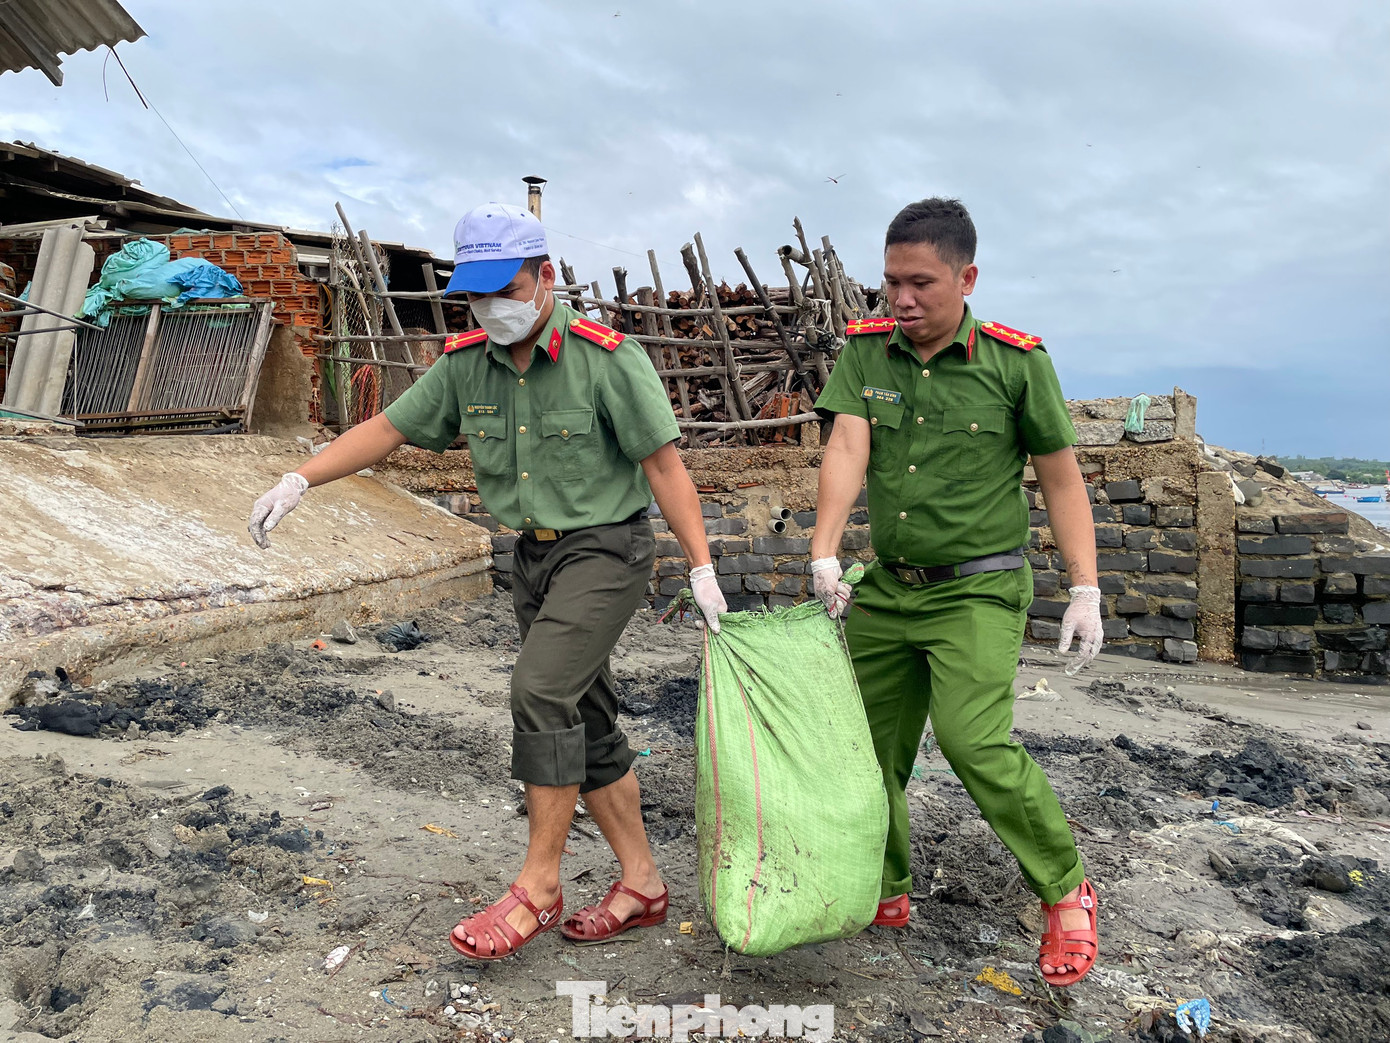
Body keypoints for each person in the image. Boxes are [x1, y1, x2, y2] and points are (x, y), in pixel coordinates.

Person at [247, 202, 727, 960]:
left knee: (538, 692)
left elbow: (663, 464)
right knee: (585, 717)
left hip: (605, 551)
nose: (492, 309)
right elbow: (389, 428)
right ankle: (642, 883)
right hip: (530, 562)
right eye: (477, 295)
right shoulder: (468, 362)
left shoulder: (608, 358)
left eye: (506, 290)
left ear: (545, 276)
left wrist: (701, 565)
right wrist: (300, 480)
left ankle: (539, 884)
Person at [809, 198, 1103, 986]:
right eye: (890, 283)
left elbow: (1061, 479)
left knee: (974, 742)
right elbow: (846, 442)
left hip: (977, 592)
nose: (901, 300)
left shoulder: (1015, 362)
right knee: (868, 752)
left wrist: (1086, 588)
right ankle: (887, 885)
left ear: (967, 278)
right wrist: (825, 552)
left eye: (920, 283)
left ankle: (1067, 887)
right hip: (887, 591)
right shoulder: (868, 352)